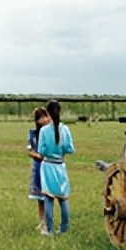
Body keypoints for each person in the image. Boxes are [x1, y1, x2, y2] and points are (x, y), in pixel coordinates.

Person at [38, 100, 74, 235]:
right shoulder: (65, 129)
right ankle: (64, 227)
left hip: (48, 165)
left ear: (47, 112)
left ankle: (49, 228)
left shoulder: (44, 131)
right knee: (63, 198)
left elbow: (41, 150)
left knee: (48, 197)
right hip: (60, 165)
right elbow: (70, 148)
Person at [27, 107, 51, 233]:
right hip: (38, 168)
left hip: (49, 167)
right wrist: (39, 156)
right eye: (40, 118)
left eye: (44, 116)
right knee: (40, 197)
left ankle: (48, 222)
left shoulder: (50, 134)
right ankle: (42, 221)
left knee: (48, 196)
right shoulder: (33, 134)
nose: (43, 120)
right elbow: (30, 150)